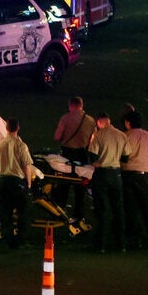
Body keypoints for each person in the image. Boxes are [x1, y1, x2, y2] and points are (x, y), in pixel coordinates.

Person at [121, 109, 148, 248]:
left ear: (128, 123)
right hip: (143, 176)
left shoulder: (123, 136)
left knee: (131, 208)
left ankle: (135, 239)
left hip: (126, 175)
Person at [89, 111, 128, 253]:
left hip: (102, 174)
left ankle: (101, 245)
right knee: (118, 209)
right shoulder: (122, 135)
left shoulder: (98, 135)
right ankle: (121, 244)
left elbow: (92, 157)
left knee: (102, 210)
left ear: (99, 122)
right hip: (116, 175)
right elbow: (125, 158)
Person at [53, 95, 96, 225]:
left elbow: (57, 136)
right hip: (82, 155)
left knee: (63, 184)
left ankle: (60, 212)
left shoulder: (65, 118)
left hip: (67, 155)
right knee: (80, 187)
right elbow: (93, 140)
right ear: (82, 105)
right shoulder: (90, 120)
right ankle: (79, 215)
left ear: (71, 105)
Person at [0, 117, 34, 249]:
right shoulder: (21, 145)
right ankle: (21, 240)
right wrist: (28, 183)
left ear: (6, 128)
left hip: (3, 181)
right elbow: (27, 166)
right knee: (24, 212)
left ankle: (7, 240)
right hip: (17, 182)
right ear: (18, 128)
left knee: (5, 213)